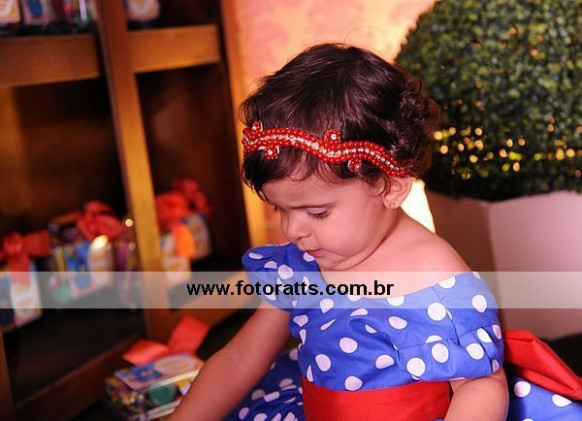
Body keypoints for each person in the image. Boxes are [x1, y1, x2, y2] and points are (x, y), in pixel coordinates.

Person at [169, 44, 582, 421]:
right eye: (280, 209)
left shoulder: (436, 280)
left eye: (317, 212)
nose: (293, 230)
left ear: (390, 187)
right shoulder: (306, 263)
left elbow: (479, 386)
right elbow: (241, 359)